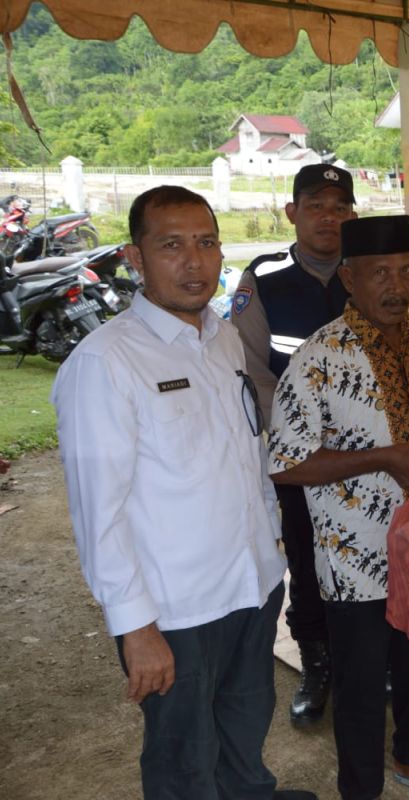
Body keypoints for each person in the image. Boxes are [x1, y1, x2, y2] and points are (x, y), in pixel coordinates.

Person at [52, 186, 314, 800]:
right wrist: (136, 627)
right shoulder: (106, 364)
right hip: (175, 608)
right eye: (171, 245)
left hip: (250, 584)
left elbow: (243, 455)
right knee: (182, 756)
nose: (195, 262)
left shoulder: (221, 339)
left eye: (206, 242)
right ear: (135, 258)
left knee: (245, 723)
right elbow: (100, 513)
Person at [268, 216, 409, 800]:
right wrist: (379, 459)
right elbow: (284, 462)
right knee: (360, 687)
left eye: (406, 271)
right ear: (349, 278)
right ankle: (359, 790)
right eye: (380, 272)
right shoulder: (318, 358)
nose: (396, 285)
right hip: (355, 559)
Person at [232, 163, 357, 724]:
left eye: (339, 207)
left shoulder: (370, 271)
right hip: (300, 460)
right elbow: (251, 368)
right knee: (306, 562)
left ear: (352, 214)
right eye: (316, 206)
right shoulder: (265, 277)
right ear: (293, 212)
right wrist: (303, 436)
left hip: (364, 457)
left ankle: (365, 661)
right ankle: (317, 663)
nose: (328, 217)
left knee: (367, 557)